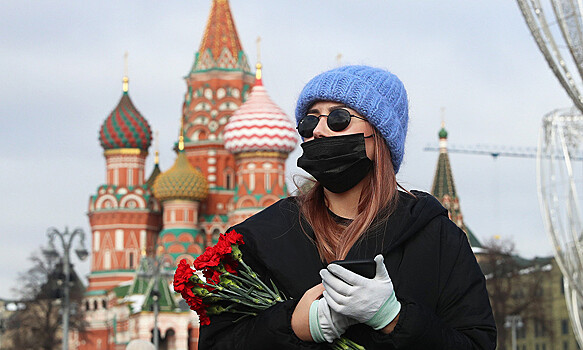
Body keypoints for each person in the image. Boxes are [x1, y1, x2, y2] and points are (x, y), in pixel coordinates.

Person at [198, 65, 497, 349]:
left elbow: (476, 342)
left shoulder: (437, 238)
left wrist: (395, 318)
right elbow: (218, 342)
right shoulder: (260, 237)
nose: (319, 131)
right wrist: (295, 326)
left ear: (379, 135)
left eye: (338, 118)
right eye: (309, 120)